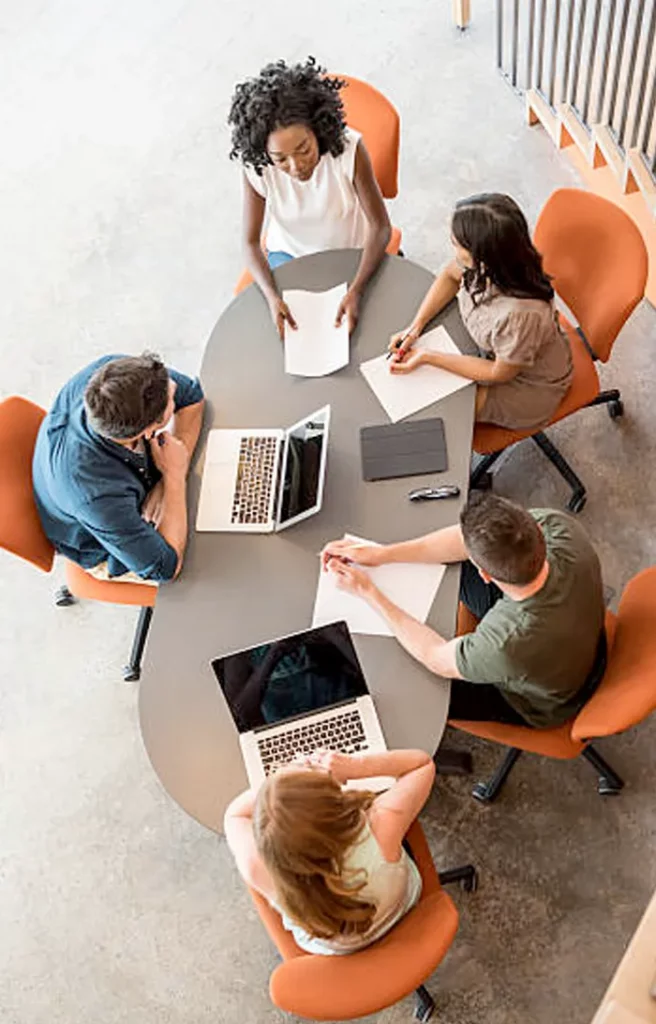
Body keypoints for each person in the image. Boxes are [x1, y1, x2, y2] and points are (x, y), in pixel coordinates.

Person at [321, 492, 607, 728]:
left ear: (484, 574)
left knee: (413, 684)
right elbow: (462, 541)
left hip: (544, 704)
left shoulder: (504, 643)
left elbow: (435, 657)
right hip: (580, 637)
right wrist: (383, 555)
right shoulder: (560, 527)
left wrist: (368, 592)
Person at [228, 56, 391, 340]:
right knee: (291, 340)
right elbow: (250, 242)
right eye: (280, 159)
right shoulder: (257, 168)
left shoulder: (348, 148)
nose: (296, 166)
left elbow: (381, 228)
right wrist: (270, 296)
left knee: (366, 336)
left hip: (351, 252)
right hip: (290, 256)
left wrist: (357, 288)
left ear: (318, 129)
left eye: (303, 149)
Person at [388, 193, 573, 432]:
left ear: (484, 254)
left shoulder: (520, 316)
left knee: (437, 409)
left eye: (457, 243)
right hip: (495, 352)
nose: (452, 246)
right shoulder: (494, 263)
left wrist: (428, 357)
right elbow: (449, 276)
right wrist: (415, 327)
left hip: (527, 385)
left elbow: (499, 373)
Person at [224, 748, 434, 955]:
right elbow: (422, 764)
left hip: (335, 948)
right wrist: (356, 767)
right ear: (337, 805)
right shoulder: (381, 826)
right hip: (399, 910)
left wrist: (279, 790)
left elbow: (234, 815)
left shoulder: (256, 867)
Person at [33, 352, 205, 584]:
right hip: (106, 547)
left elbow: (193, 398)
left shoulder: (114, 377)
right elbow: (165, 567)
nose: (174, 385)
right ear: (147, 430)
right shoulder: (96, 495)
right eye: (170, 399)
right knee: (207, 561)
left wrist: (164, 486)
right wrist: (174, 475)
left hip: (126, 490)